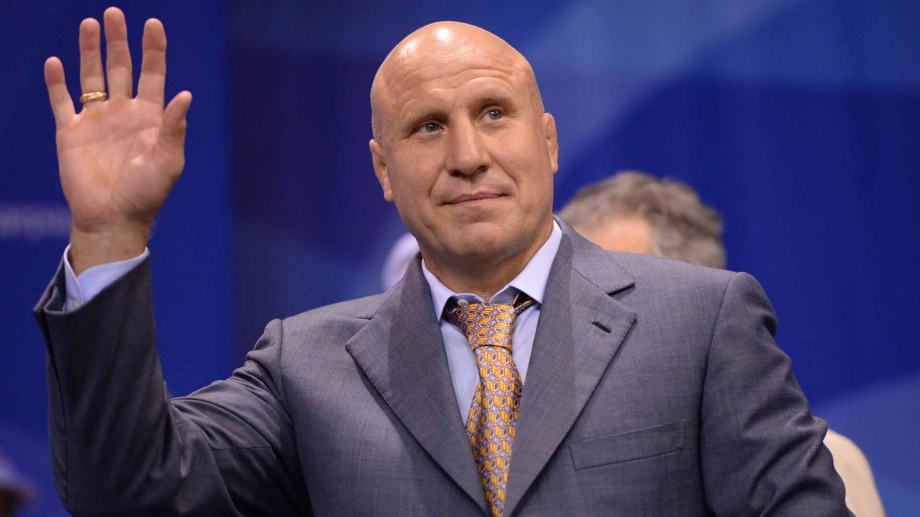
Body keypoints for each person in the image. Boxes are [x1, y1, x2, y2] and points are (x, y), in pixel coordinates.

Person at [35, 7, 850, 516]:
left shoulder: (701, 323)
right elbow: (127, 492)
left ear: (548, 142)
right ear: (383, 169)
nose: (467, 155)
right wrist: (108, 235)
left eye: (494, 113)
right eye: (427, 127)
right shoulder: (306, 368)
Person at [560, 170, 885, 517]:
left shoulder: (823, 465)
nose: (593, 314)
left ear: (696, 296)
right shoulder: (533, 454)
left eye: (614, 290)